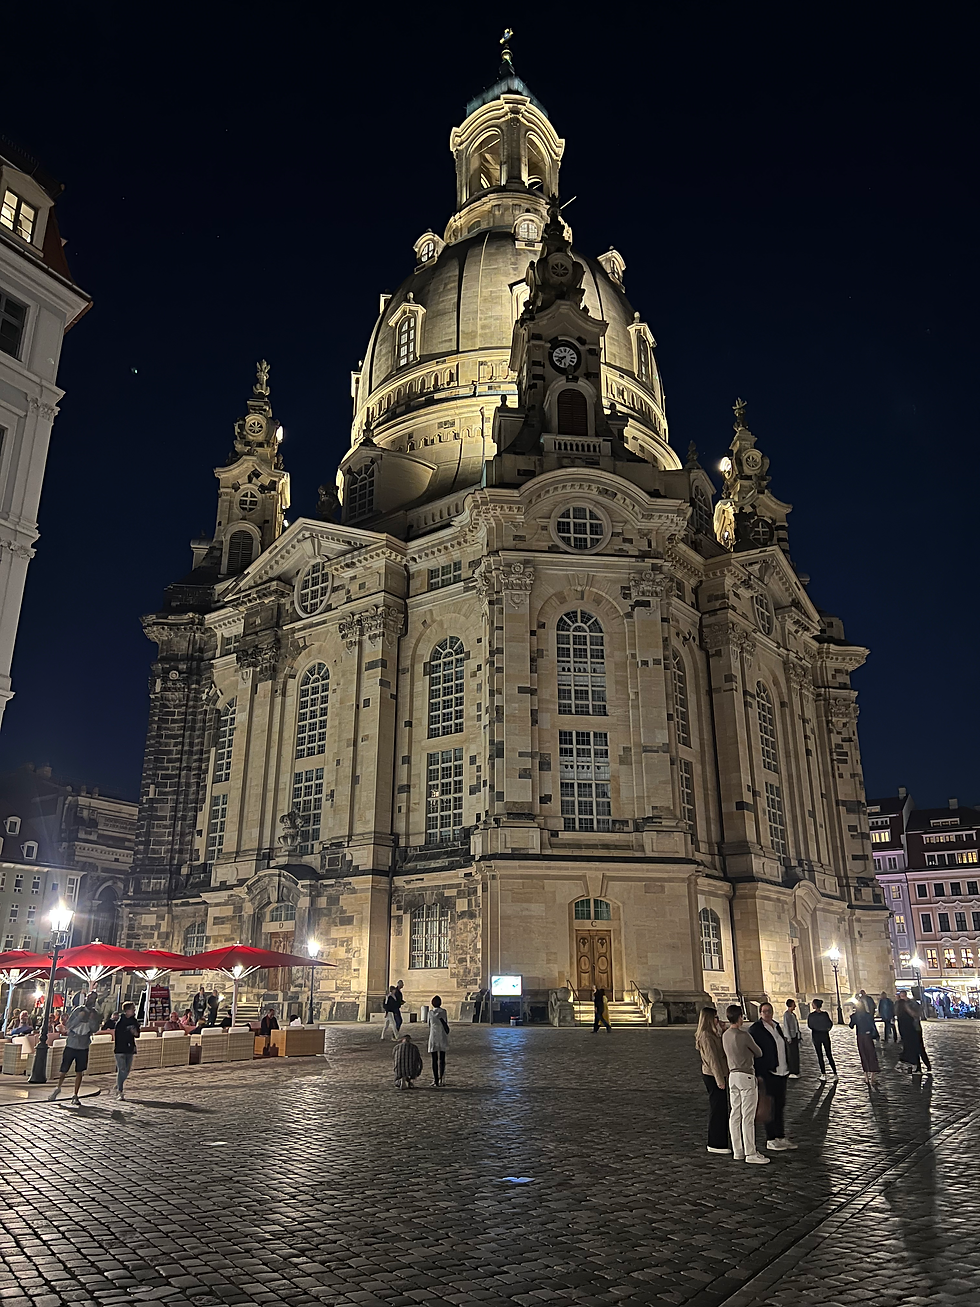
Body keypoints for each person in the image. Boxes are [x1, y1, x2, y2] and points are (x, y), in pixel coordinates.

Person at [721, 1005, 769, 1164]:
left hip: (732, 1076)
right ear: (740, 1017)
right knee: (748, 1116)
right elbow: (759, 1052)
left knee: (735, 1114)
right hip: (746, 1075)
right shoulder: (744, 1035)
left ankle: (738, 1150)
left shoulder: (725, 1035)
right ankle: (750, 1152)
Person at [749, 1004, 797, 1152]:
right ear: (760, 1013)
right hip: (768, 1073)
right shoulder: (756, 1029)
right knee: (769, 1106)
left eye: (769, 1011)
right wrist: (758, 1073)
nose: (767, 1013)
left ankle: (780, 1136)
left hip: (782, 1071)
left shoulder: (776, 1026)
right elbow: (754, 1053)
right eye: (764, 1011)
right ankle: (771, 1138)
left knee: (780, 1105)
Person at [48, 991, 102, 1105]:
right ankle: (58, 1088)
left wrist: (91, 1019)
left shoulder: (95, 1013)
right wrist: (79, 1017)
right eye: (89, 997)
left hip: (83, 1046)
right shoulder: (78, 1010)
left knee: (79, 1071)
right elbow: (69, 1025)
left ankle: (75, 1094)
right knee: (64, 1070)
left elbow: (94, 1029)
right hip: (71, 1044)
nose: (90, 1000)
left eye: (93, 998)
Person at [695, 1006, 730, 1154]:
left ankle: (721, 1141)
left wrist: (723, 1030)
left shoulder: (712, 1033)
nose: (718, 1020)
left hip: (717, 1074)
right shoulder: (706, 1036)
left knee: (721, 1108)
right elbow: (713, 1059)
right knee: (718, 1109)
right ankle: (716, 1143)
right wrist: (719, 1079)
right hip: (713, 1076)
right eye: (715, 1018)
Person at [896, 992, 932, 1074]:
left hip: (915, 1029)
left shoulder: (911, 1004)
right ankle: (917, 1067)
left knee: (919, 1048)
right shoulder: (900, 1006)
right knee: (914, 1049)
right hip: (908, 1031)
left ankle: (926, 1065)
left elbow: (917, 1014)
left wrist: (908, 1009)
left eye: (902, 996)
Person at [112, 1001, 141, 1101]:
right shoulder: (120, 1022)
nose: (134, 1010)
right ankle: (120, 1090)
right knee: (122, 1069)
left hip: (130, 1048)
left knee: (127, 1070)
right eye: (133, 1009)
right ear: (127, 1010)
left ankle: (118, 1084)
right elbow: (119, 1036)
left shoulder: (134, 1021)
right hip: (120, 1049)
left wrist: (134, 1032)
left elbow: (137, 1034)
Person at [849, 1002, 880, 1088]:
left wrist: (852, 1018)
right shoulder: (868, 1015)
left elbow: (851, 1026)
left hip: (860, 1037)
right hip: (868, 1036)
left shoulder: (855, 1016)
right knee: (872, 1055)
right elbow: (872, 1025)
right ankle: (873, 1077)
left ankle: (866, 1077)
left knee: (863, 1055)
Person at [806, 998, 838, 1082]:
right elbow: (830, 1024)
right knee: (829, 1054)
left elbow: (810, 1025)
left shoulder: (811, 1016)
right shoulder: (825, 1014)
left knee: (820, 1055)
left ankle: (823, 1074)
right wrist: (826, 1029)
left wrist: (817, 1028)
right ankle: (835, 1073)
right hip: (825, 1035)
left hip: (816, 1035)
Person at [427, 995, 450, 1087]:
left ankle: (435, 1079)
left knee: (434, 1059)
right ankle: (442, 1078)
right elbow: (445, 1022)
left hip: (433, 1035)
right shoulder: (443, 1012)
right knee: (442, 1059)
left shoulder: (430, 1013)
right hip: (442, 1035)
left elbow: (429, 1024)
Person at [783, 999, 801, 1078]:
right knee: (791, 1054)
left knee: (795, 1054)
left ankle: (796, 1070)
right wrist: (788, 1037)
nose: (795, 1006)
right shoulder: (786, 1015)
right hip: (790, 1036)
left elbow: (796, 1026)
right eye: (794, 1004)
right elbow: (786, 1026)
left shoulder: (793, 1015)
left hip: (795, 1035)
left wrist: (798, 1034)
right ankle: (792, 1071)